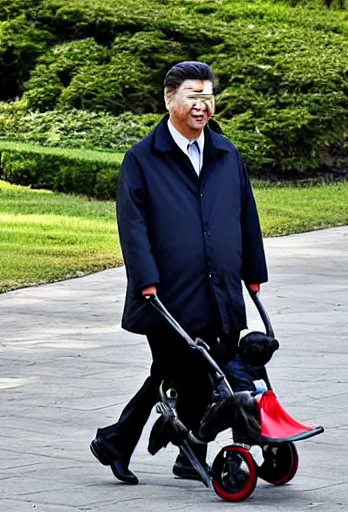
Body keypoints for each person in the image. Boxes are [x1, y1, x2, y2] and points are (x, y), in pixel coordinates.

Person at [90, 61, 268, 485]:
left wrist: (253, 270)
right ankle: (166, 446)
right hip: (167, 292)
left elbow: (246, 213)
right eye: (193, 95)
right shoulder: (142, 159)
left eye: (207, 95)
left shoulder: (226, 152)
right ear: (169, 98)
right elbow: (132, 227)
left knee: (199, 366)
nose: (202, 105)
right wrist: (145, 280)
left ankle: (131, 444)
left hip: (220, 285)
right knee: (187, 366)